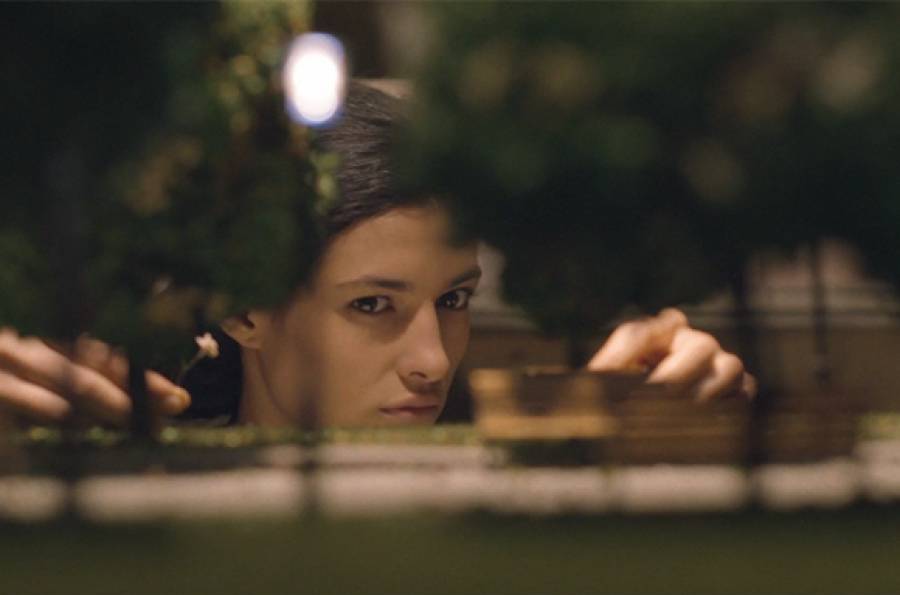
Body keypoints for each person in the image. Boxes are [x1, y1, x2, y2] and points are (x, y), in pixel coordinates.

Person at [0, 83, 755, 428]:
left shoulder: (499, 488)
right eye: (371, 303)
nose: (433, 360)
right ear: (242, 307)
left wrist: (693, 410)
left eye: (454, 299)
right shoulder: (149, 491)